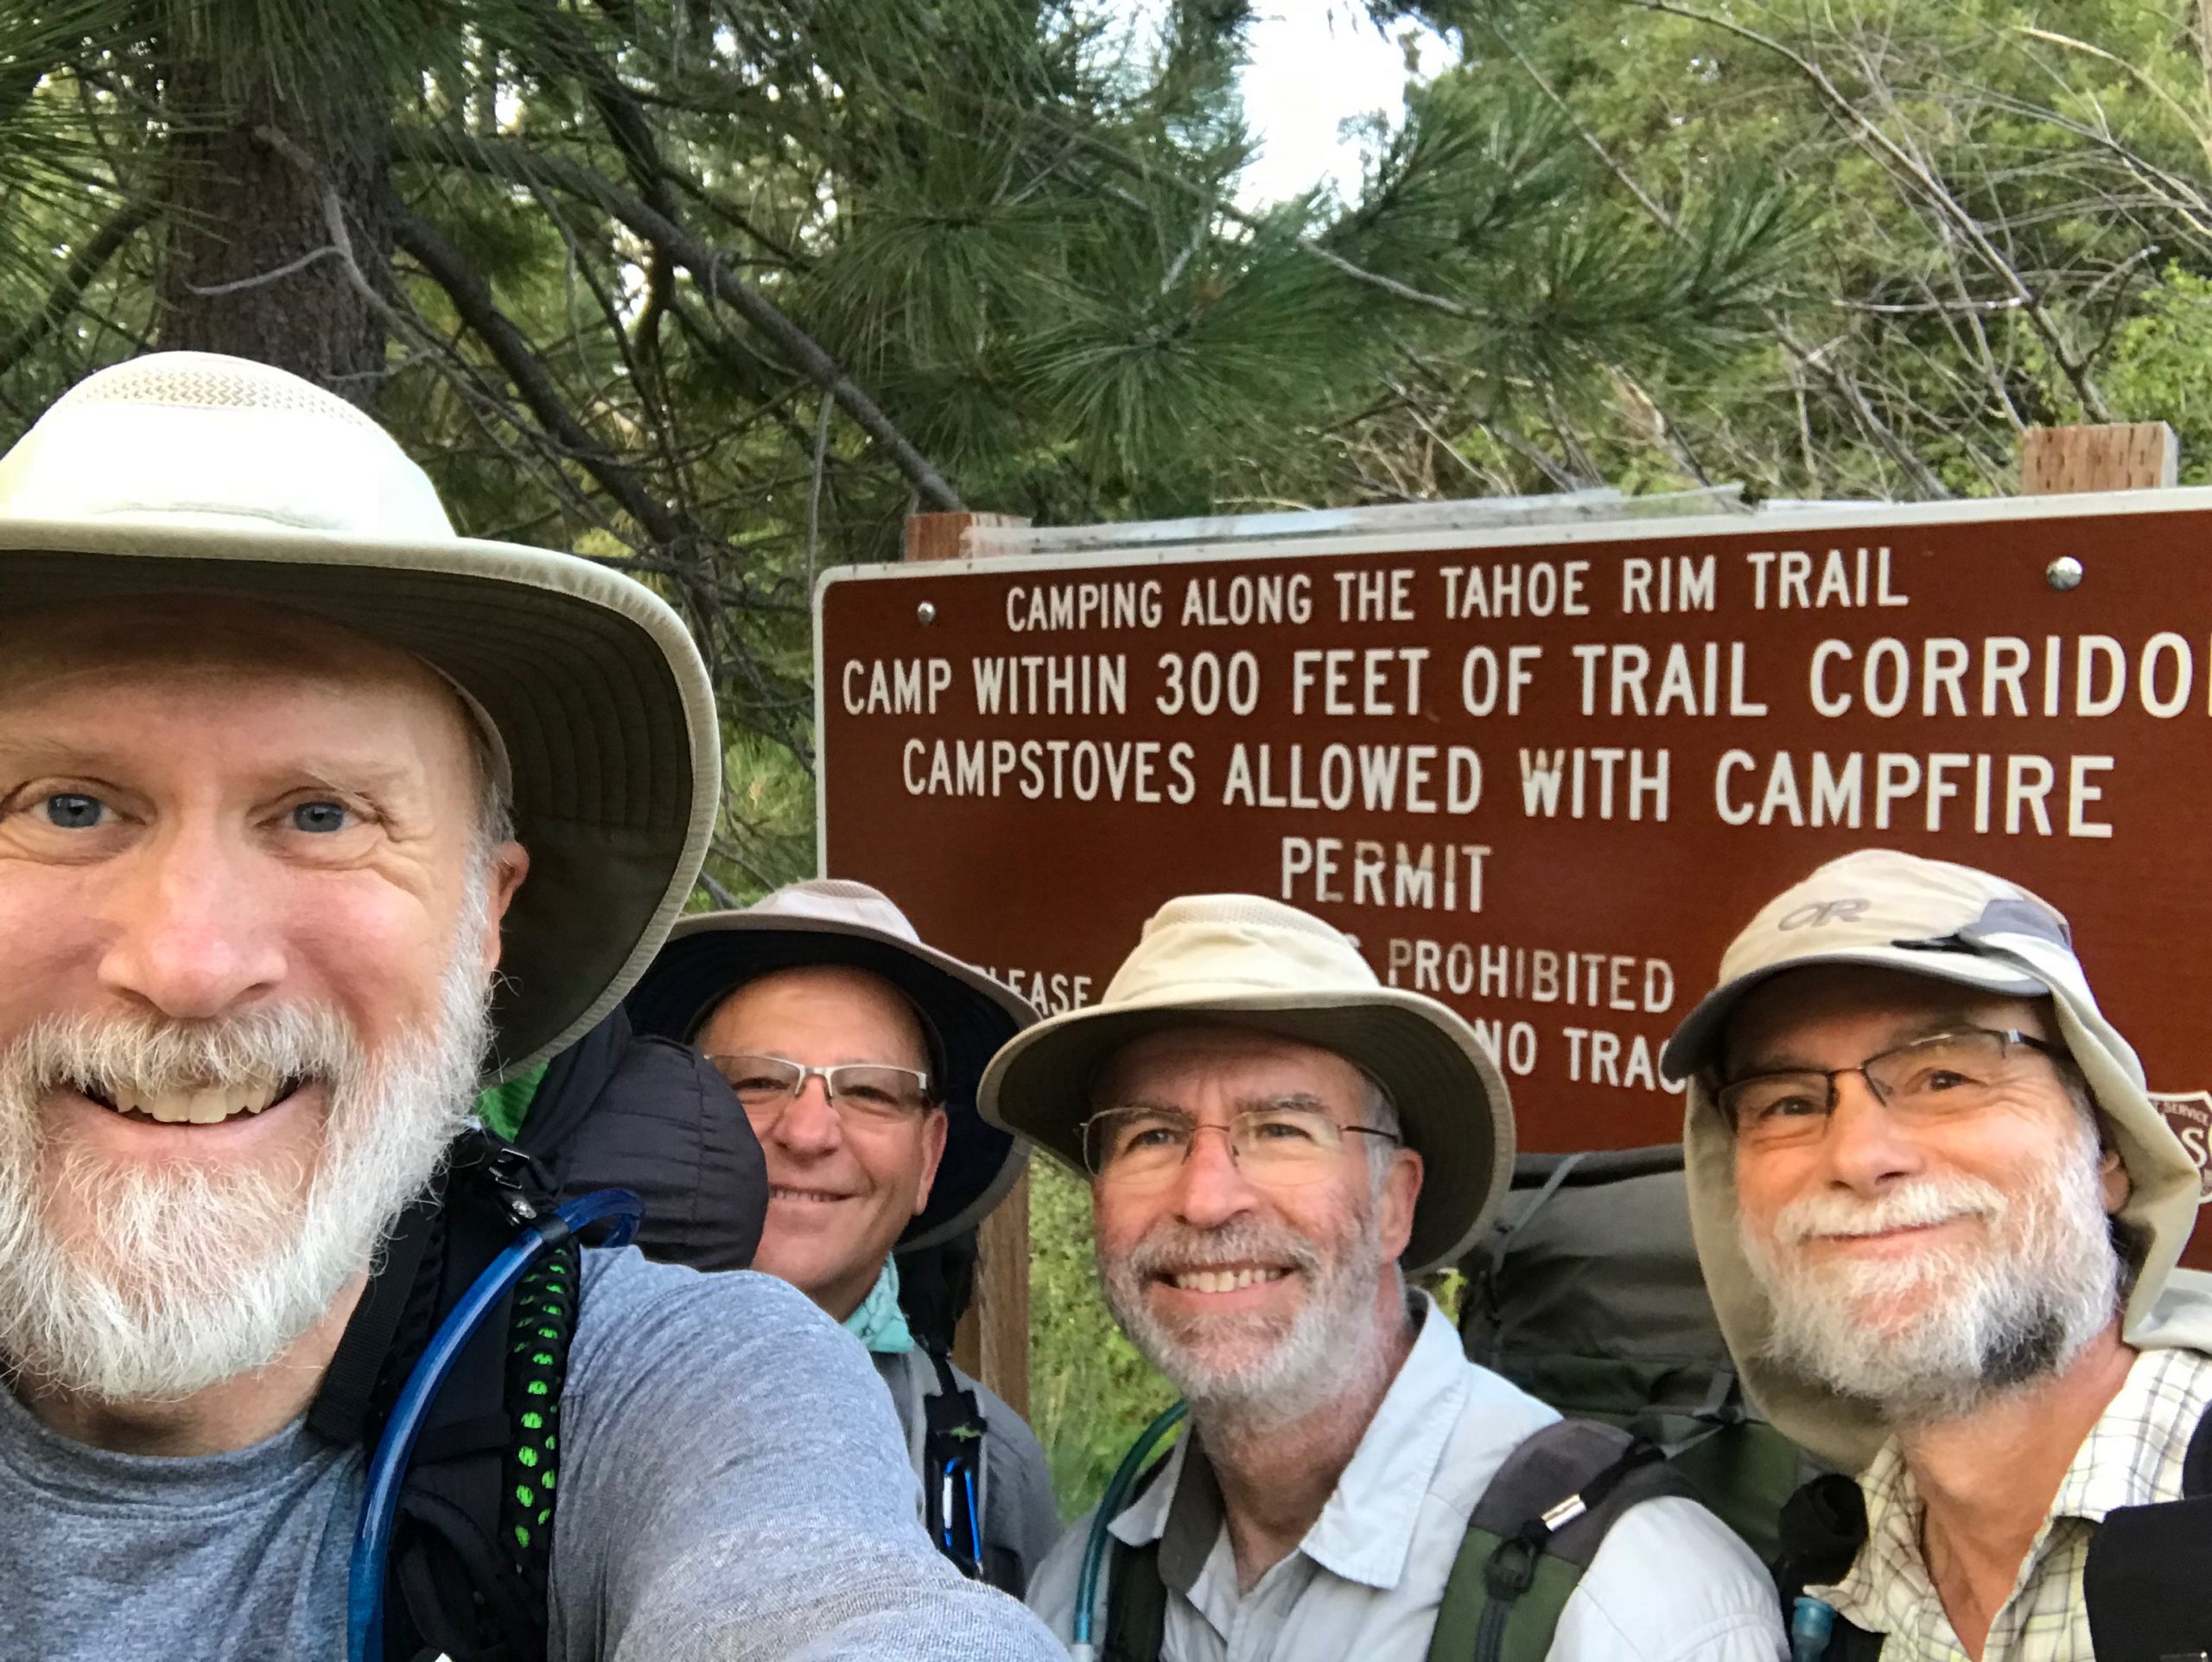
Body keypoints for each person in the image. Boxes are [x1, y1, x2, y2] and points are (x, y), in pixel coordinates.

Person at [0, 350, 1058, 1661]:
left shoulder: (678, 1391)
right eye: (68, 806)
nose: (192, 962)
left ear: (486, 913)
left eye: (324, 815)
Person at [988, 893, 1786, 1660]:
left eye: (1280, 1129)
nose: (1205, 1198)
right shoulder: (1088, 1584)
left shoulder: (1633, 1609)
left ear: (1395, 1202)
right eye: (1152, 1136)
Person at [1663, 848, 2212, 1660]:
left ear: (2107, 1148)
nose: (1859, 1155)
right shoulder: (1827, 1589)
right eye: (1790, 1102)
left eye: (1946, 1077)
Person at [624, 878, 1060, 1591]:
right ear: (679, 1115)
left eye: (869, 1092)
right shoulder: (540, 1394)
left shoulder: (990, 1468)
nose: (807, 1131)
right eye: (757, 1081)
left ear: (929, 1158)